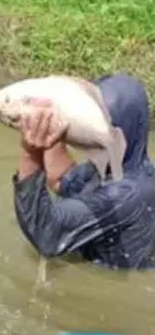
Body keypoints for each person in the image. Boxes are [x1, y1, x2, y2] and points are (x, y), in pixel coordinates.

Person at [13, 73, 155, 270]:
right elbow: (61, 180)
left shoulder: (124, 195)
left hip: (110, 288)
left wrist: (31, 153)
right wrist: (49, 130)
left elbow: (47, 237)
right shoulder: (115, 168)